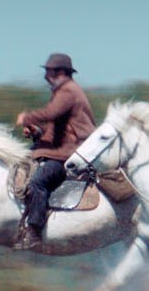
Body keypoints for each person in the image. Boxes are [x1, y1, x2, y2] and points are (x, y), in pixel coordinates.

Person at [12, 53, 96, 250]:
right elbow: (57, 130)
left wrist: (27, 118)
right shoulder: (63, 92)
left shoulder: (68, 91)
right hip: (64, 149)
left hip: (70, 154)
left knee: (38, 182)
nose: (45, 76)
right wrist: (37, 132)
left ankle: (34, 232)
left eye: (48, 72)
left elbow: (50, 114)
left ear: (59, 72)